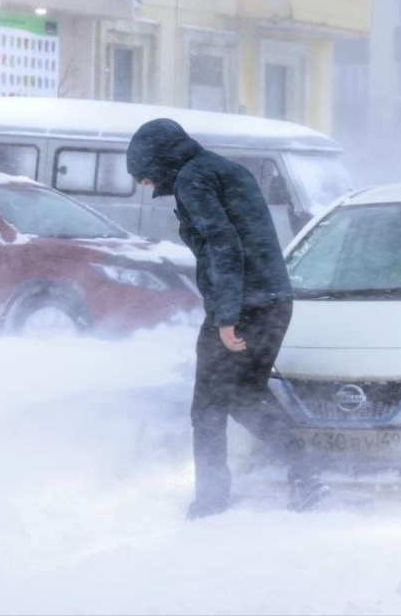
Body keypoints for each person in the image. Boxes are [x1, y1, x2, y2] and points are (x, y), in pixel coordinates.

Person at [126, 118, 329, 520]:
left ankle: (211, 500)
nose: (146, 185)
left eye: (144, 175)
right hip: (273, 301)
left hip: (244, 305)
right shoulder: (222, 168)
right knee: (245, 396)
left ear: (159, 160)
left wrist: (226, 316)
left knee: (207, 408)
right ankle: (306, 473)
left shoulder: (192, 179)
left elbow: (223, 246)